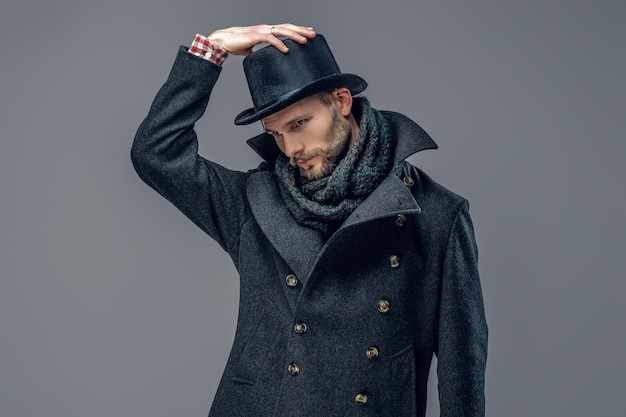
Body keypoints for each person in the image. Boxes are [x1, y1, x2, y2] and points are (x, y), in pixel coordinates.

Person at [132, 23, 488, 417]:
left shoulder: (437, 214)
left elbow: (462, 373)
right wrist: (211, 50)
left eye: (299, 124)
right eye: (277, 134)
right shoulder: (254, 203)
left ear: (341, 100)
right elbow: (156, 153)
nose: (291, 149)